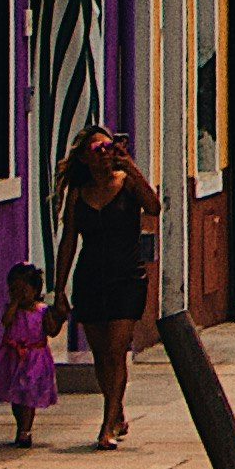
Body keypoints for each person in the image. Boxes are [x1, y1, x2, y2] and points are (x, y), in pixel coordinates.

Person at [59, 131, 159, 451]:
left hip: (127, 278)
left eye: (107, 146)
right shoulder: (78, 193)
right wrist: (59, 289)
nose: (104, 153)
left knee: (118, 350)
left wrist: (130, 167)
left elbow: (154, 206)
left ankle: (107, 424)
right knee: (101, 355)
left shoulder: (126, 183)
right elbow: (68, 241)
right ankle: (117, 410)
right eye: (96, 148)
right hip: (90, 280)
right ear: (85, 157)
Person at [0, 258, 63, 447]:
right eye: (13, 290)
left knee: (28, 395)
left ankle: (25, 430)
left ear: (35, 290)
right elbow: (6, 322)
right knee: (17, 396)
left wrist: (58, 317)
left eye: (23, 290)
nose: (19, 294)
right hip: (14, 357)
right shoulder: (13, 310)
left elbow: (51, 330)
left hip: (34, 358)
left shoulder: (41, 311)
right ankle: (20, 425)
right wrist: (14, 303)